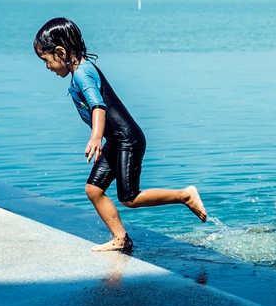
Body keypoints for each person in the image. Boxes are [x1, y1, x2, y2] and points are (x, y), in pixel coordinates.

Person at [34, 17, 206, 253]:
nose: (47, 67)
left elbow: (98, 106)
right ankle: (121, 238)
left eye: (46, 60)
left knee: (129, 197)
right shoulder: (80, 72)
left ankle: (185, 195)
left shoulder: (83, 73)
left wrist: (95, 138)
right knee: (94, 190)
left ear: (61, 52)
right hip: (116, 141)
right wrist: (102, 139)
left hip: (128, 140)